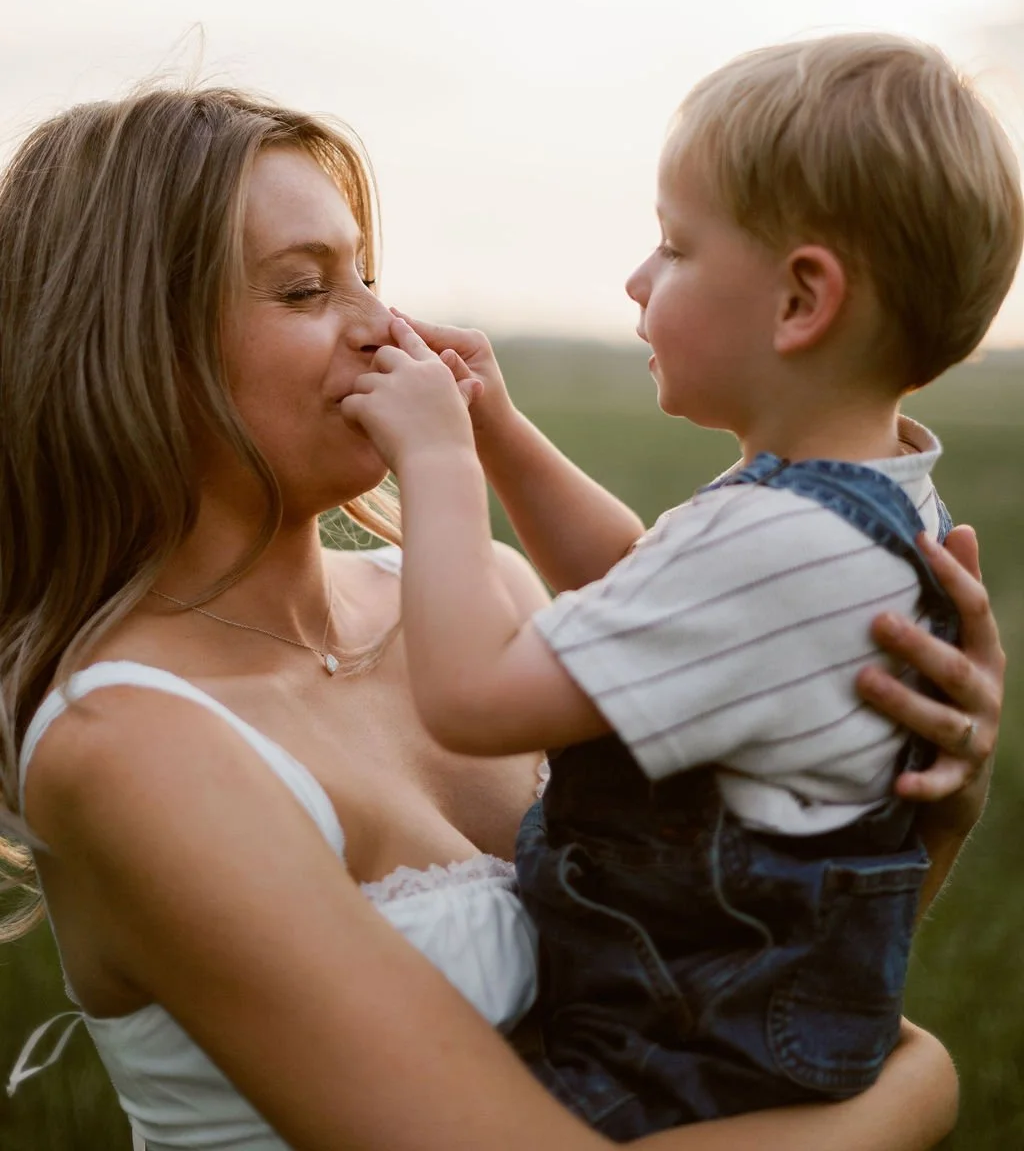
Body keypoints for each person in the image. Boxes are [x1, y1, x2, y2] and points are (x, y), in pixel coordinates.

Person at [0, 84, 1002, 1151]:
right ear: (129, 354)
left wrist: (923, 807)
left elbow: (739, 981)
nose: (384, 326)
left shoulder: (490, 594)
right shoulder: (132, 744)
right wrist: (919, 1084)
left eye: (369, 275)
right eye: (303, 291)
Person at [339, 35, 1022, 1140]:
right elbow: (637, 586)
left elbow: (471, 697)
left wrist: (438, 462)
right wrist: (502, 432)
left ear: (801, 300)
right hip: (736, 1050)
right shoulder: (840, 510)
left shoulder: (783, 548)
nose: (634, 280)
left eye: (672, 246)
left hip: (672, 1076)